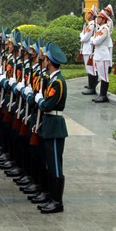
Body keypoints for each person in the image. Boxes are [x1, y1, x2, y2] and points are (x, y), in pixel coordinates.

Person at [34, 42, 68, 213]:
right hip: (49, 124)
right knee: (49, 163)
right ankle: (50, 196)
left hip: (55, 125)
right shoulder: (52, 79)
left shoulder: (59, 83)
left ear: (50, 61)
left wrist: (39, 100)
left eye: (45, 59)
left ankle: (57, 201)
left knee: (55, 164)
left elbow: (47, 106)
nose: (44, 62)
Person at [90, 9, 112, 103]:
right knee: (101, 75)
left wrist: (93, 40)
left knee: (104, 76)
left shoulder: (104, 29)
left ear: (103, 20)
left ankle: (103, 95)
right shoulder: (101, 28)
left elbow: (95, 41)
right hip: (99, 54)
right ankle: (101, 94)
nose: (97, 19)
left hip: (102, 54)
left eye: (99, 17)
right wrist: (93, 40)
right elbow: (94, 40)